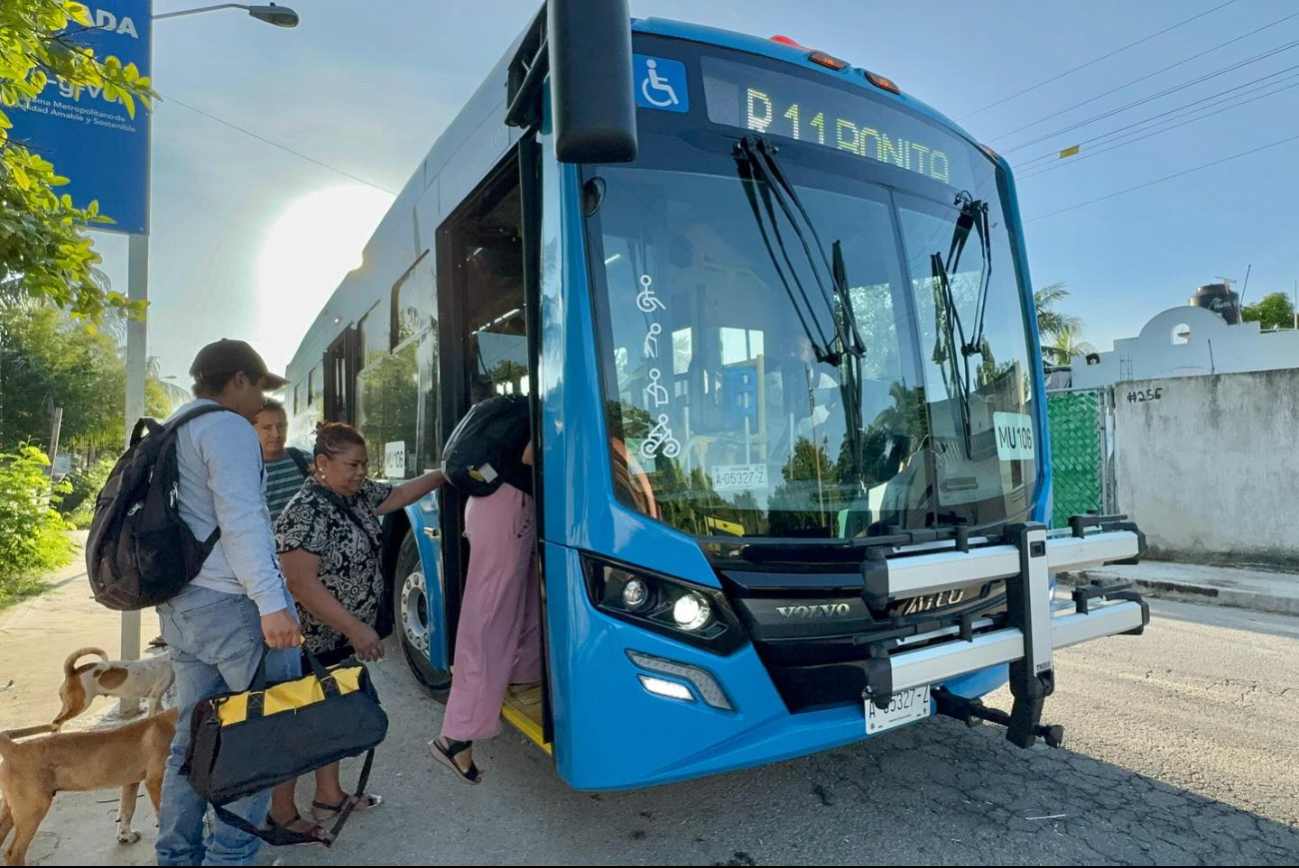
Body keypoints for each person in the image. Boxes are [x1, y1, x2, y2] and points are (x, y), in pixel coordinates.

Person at [155, 339, 304, 868]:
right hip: (233, 605)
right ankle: (230, 859)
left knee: (191, 740)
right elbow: (241, 520)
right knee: (256, 741)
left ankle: (176, 857)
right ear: (239, 380)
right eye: (259, 386)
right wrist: (272, 603)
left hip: (183, 606)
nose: (261, 401)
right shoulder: (228, 428)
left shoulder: (175, 426)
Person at [268, 423, 448, 831]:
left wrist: (444, 473)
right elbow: (300, 582)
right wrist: (355, 629)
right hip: (308, 643)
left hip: (335, 643)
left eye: (365, 463)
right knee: (297, 726)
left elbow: (400, 495)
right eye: (352, 464)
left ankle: (328, 799)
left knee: (330, 720)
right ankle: (281, 814)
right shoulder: (306, 510)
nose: (361, 471)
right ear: (321, 464)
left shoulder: (355, 494)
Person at [430, 400, 539, 784]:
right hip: (507, 509)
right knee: (489, 615)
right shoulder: (544, 408)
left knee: (521, 603)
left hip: (496, 507)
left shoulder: (517, 409)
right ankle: (456, 735)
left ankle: (524, 675)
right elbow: (530, 455)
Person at [254, 399, 312, 522]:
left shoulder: (305, 461)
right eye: (266, 428)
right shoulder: (246, 470)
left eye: (281, 426)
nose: (276, 434)